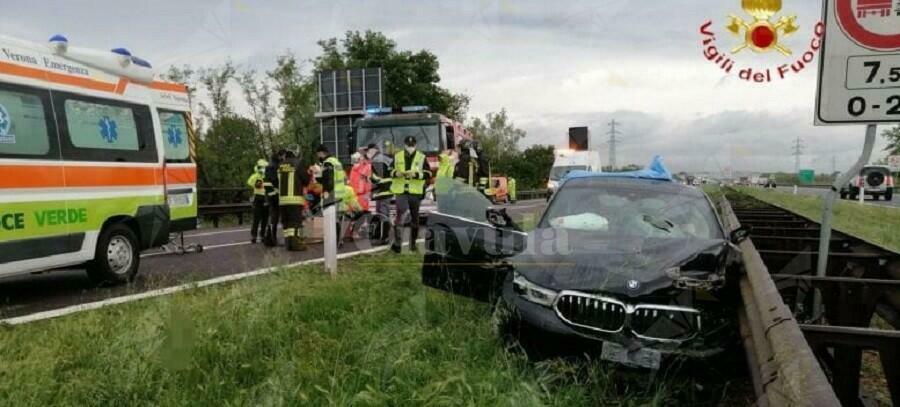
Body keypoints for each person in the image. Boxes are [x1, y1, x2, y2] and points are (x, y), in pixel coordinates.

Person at [391, 136, 431, 253]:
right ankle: (398, 244)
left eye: (412, 145)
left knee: (415, 218)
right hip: (401, 191)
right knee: (400, 215)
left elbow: (428, 173)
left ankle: (412, 244)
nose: (410, 147)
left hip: (415, 192)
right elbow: (389, 170)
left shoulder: (422, 157)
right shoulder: (397, 156)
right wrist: (396, 173)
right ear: (404, 145)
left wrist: (417, 175)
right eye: (408, 145)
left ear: (415, 145)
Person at [277, 147, 309, 251]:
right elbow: (305, 180)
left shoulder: (280, 165)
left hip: (282, 199)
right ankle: (296, 244)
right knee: (295, 222)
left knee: (286, 222)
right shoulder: (298, 163)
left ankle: (288, 243)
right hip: (294, 198)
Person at [316, 144, 348, 238]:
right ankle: (338, 239)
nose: (318, 157)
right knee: (336, 218)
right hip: (339, 193)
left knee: (331, 218)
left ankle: (334, 240)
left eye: (318, 154)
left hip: (331, 194)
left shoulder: (327, 163)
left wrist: (326, 192)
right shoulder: (336, 162)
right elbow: (343, 178)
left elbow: (327, 179)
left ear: (321, 153)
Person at [367, 143, 393, 244]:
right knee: (383, 213)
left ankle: (384, 237)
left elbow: (378, 178)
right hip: (387, 189)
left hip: (382, 190)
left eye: (369, 151)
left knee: (383, 214)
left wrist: (370, 177)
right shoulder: (385, 158)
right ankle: (382, 236)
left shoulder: (377, 160)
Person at [262, 150, 285, 247]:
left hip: (271, 195)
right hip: (274, 195)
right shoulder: (273, 166)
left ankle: (270, 238)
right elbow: (274, 181)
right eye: (284, 156)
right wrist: (275, 194)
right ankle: (271, 238)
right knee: (274, 217)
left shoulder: (272, 164)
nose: (284, 158)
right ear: (280, 156)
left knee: (273, 217)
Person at [246, 159, 269, 243]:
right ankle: (254, 236)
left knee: (265, 219)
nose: (263, 169)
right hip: (258, 197)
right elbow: (250, 183)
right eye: (262, 167)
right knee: (256, 218)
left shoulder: (268, 176)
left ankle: (262, 235)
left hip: (266, 198)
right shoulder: (255, 176)